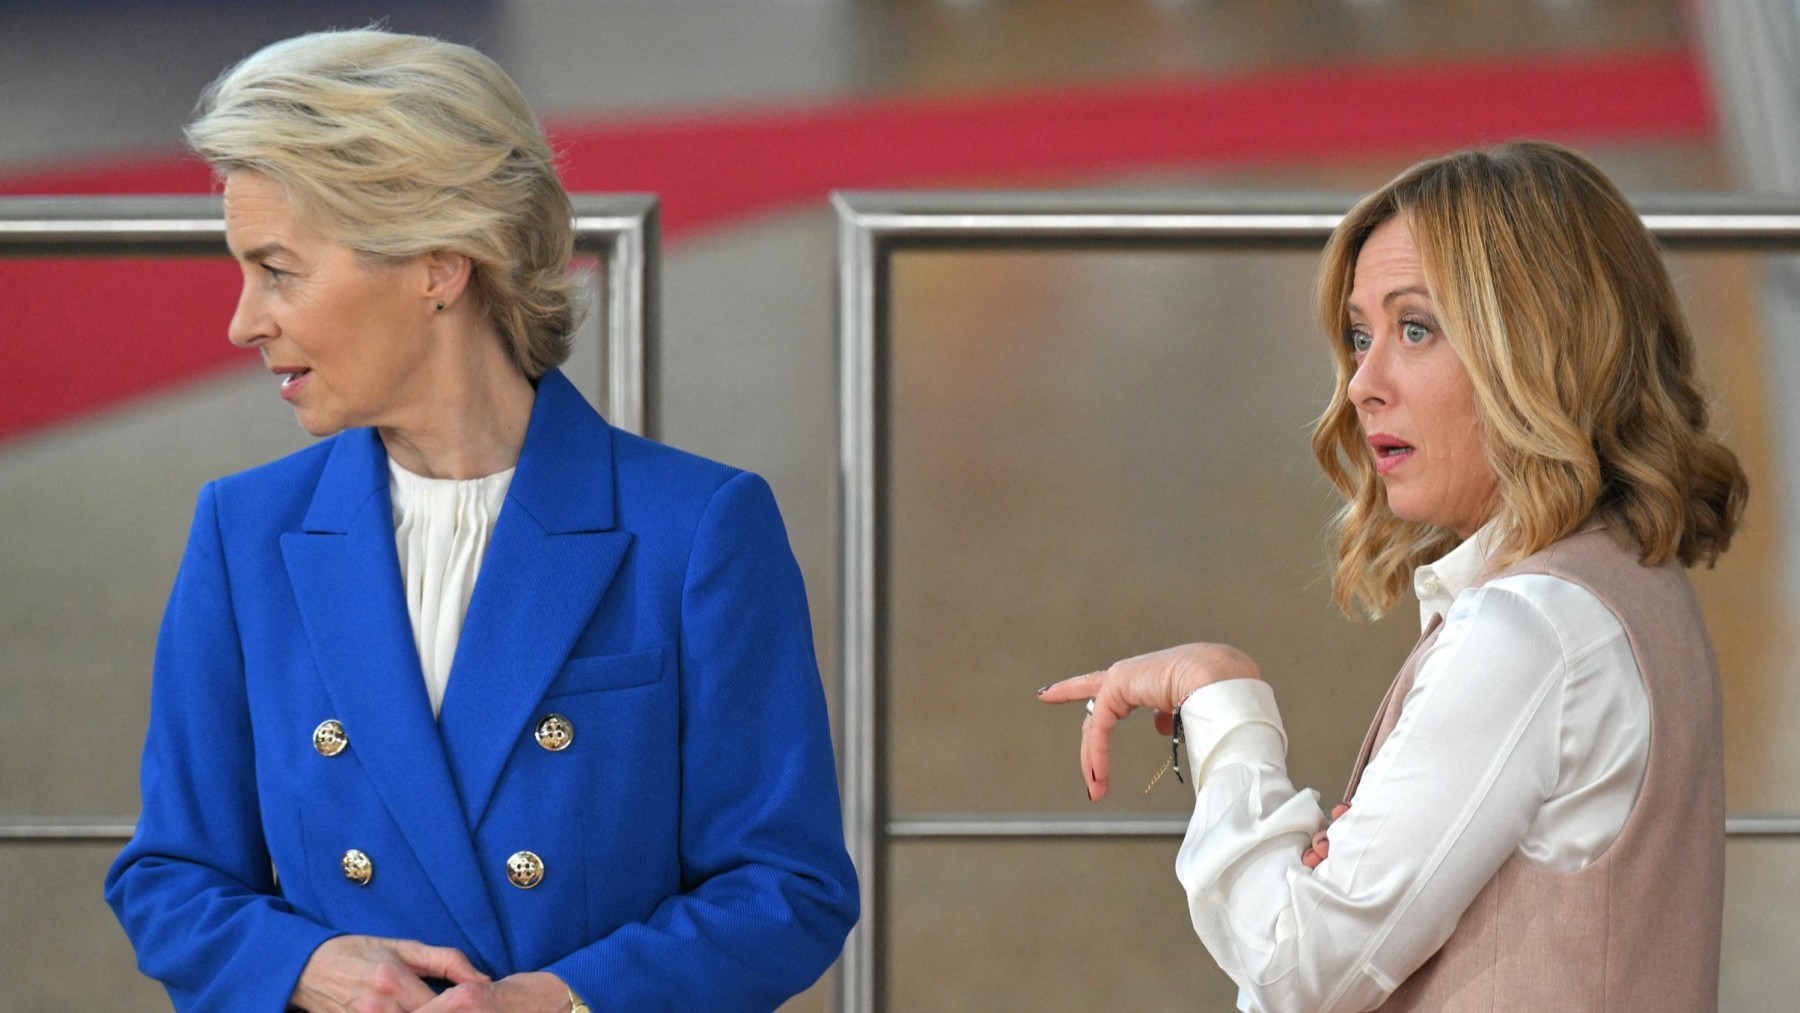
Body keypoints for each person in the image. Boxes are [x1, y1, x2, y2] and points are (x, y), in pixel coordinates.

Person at [103, 29, 857, 1013]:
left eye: (279, 268)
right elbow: (170, 876)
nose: (244, 321)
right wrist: (303, 964)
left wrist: (555, 998)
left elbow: (788, 887)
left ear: (437, 262)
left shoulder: (698, 530)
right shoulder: (245, 534)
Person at [1039, 141, 1747, 1011]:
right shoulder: (1636, 587)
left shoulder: (1532, 634)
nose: (1362, 384)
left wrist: (1224, 709)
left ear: (1540, 346)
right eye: (1359, 335)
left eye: (1416, 328)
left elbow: (1294, 962)